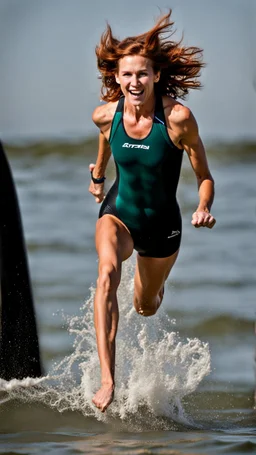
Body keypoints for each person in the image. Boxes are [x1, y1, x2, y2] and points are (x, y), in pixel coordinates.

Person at [88, 9, 216, 413]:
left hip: (161, 228)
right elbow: (107, 143)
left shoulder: (178, 120)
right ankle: (109, 379)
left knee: (144, 307)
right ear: (117, 78)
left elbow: (204, 175)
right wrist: (97, 176)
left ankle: (154, 287)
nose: (134, 82)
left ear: (156, 76)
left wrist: (204, 206)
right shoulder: (106, 115)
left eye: (142, 74)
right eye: (126, 75)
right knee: (106, 274)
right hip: (119, 215)